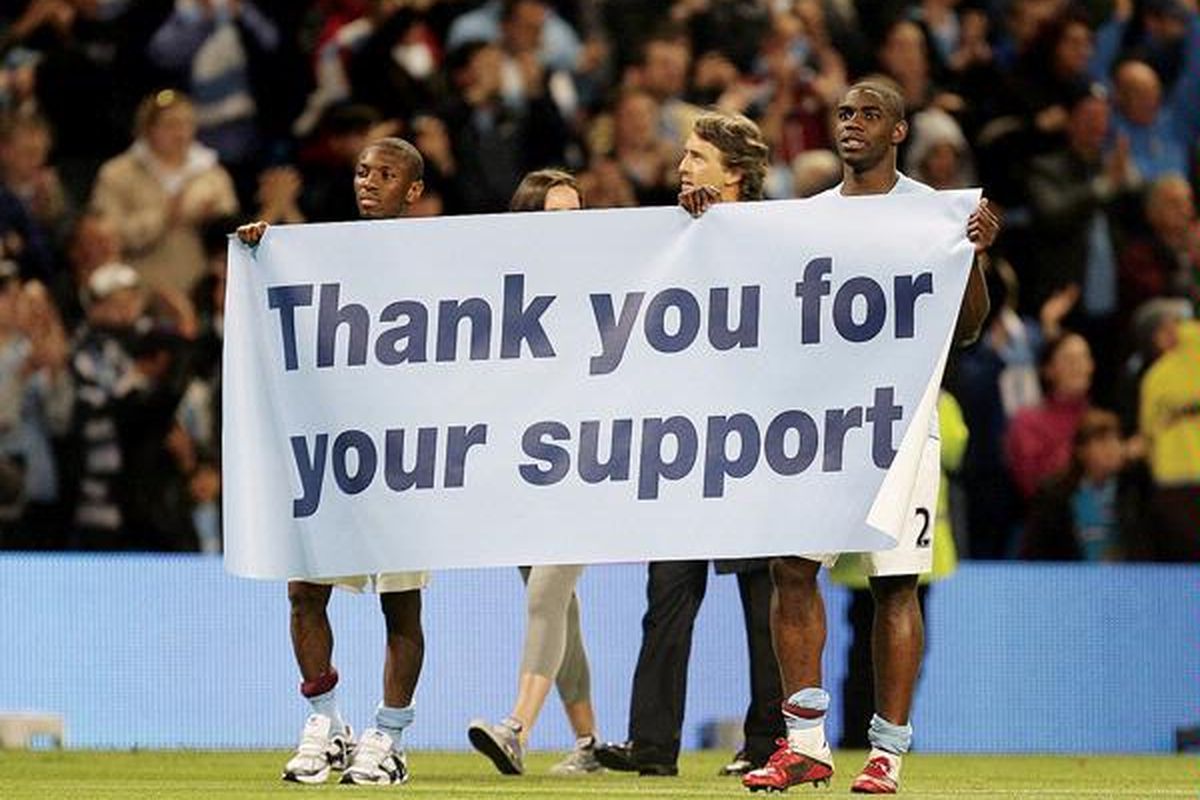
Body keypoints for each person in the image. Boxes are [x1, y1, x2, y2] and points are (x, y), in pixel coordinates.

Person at [742, 79, 997, 795]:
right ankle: (805, 745)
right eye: (845, 113)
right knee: (791, 569)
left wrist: (973, 253)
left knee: (894, 584)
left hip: (900, 419)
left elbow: (969, 325)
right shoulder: (810, 218)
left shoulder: (933, 215)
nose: (852, 123)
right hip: (819, 420)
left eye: (869, 114)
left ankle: (885, 752)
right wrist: (706, 220)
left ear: (898, 132)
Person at [594, 110, 786, 779]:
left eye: (699, 157)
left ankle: (767, 743)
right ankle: (651, 747)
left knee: (764, 605)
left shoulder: (769, 238)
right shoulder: (667, 237)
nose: (683, 167)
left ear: (736, 173)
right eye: (683, 155)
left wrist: (719, 231)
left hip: (749, 446)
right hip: (680, 448)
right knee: (667, 598)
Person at [235, 136, 427, 786]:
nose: (368, 182)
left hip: (406, 460)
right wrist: (264, 253)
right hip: (336, 454)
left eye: (386, 173)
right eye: (362, 171)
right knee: (304, 591)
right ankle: (326, 724)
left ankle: (390, 739)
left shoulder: (444, 260)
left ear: (414, 191)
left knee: (400, 606)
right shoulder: (314, 254)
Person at [468, 169, 604, 777]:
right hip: (520, 468)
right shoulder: (499, 292)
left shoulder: (602, 287)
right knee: (559, 607)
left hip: (586, 465)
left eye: (578, 216)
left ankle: (516, 727)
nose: (569, 229)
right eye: (556, 216)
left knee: (549, 591)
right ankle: (589, 743)